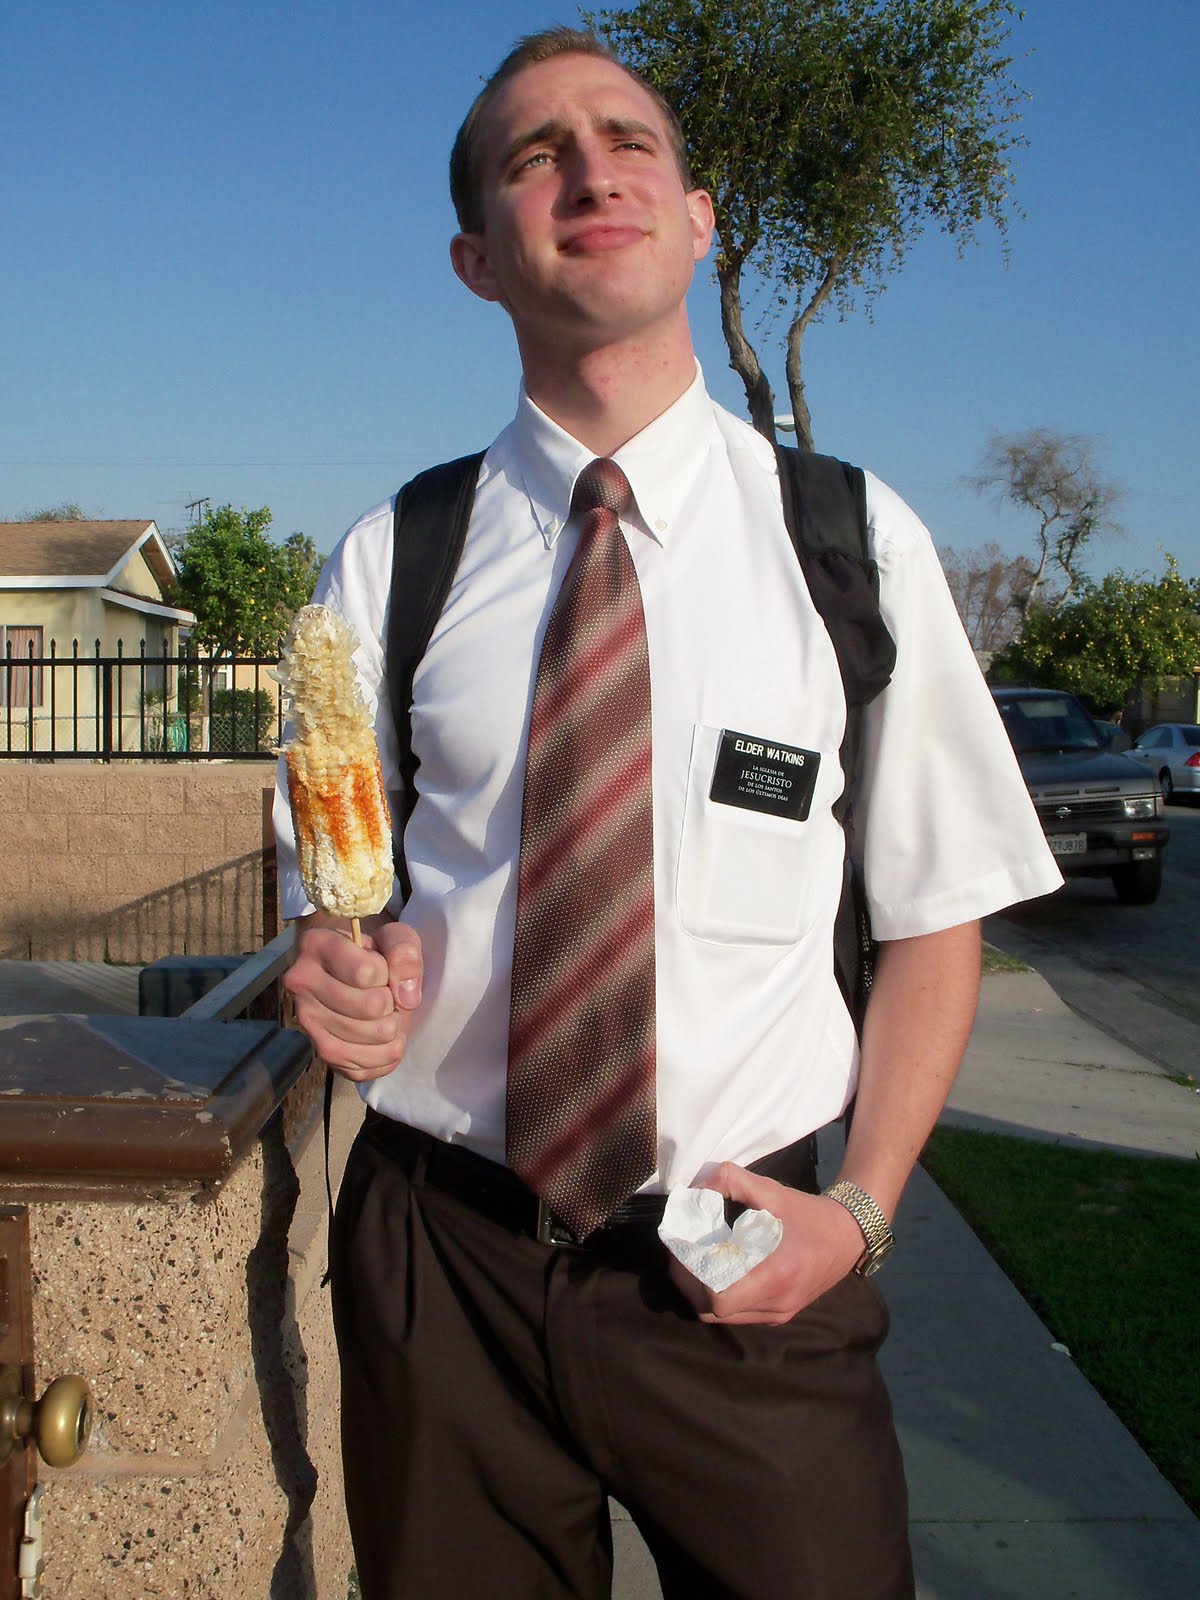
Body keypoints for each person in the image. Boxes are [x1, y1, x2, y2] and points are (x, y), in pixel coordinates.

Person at [275, 27, 1062, 1600]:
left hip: (746, 1248)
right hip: (442, 1256)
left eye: (628, 141)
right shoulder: (391, 561)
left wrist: (861, 1214)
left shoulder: (851, 543)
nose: (590, 172)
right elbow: (336, 911)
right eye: (534, 157)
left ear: (700, 220)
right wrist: (340, 971)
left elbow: (936, 916)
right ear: (475, 260)